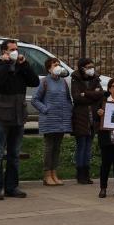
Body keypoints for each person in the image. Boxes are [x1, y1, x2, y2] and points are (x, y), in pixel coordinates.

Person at [0, 38, 39, 200]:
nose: (15, 51)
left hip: (18, 116)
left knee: (14, 155)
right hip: (2, 116)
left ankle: (12, 186)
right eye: (12, 49)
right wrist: (5, 64)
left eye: (16, 48)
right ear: (4, 52)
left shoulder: (20, 66)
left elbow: (34, 81)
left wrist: (24, 65)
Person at [32, 57, 74, 187]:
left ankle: (54, 173)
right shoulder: (44, 81)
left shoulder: (63, 82)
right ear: (49, 68)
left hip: (61, 120)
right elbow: (35, 100)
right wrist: (45, 109)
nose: (57, 66)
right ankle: (47, 174)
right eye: (55, 64)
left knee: (57, 148)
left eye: (59, 64)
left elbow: (68, 100)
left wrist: (69, 113)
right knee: (49, 148)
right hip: (49, 120)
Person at [69, 57, 104, 185]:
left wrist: (86, 94)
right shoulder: (75, 79)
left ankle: (87, 173)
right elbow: (77, 97)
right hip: (81, 117)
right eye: (88, 67)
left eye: (92, 66)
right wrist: (92, 95)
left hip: (92, 118)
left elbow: (100, 94)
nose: (91, 69)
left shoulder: (95, 78)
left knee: (88, 147)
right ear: (82, 68)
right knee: (81, 146)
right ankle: (80, 173)